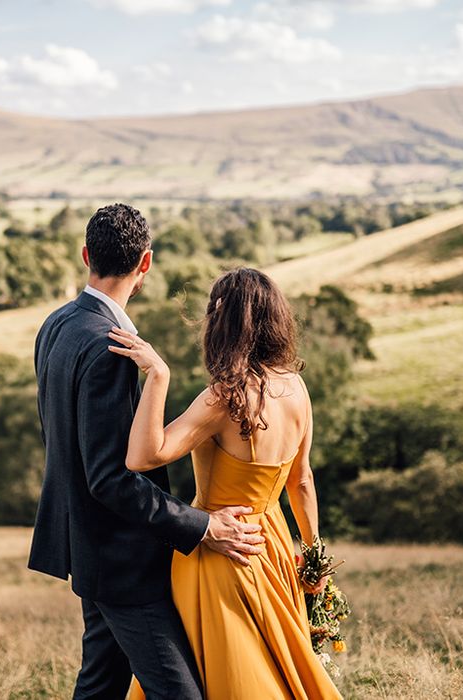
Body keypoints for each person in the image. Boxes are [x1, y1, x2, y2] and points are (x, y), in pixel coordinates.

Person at [28, 204, 265, 700]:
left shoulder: (56, 324)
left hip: (87, 544)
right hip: (122, 561)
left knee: (100, 684)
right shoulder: (111, 347)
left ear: (86, 254)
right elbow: (110, 478)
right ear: (146, 264)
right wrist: (203, 527)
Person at [111, 267, 343, 700]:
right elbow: (303, 482)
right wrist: (313, 562)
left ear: (222, 323)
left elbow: (143, 456)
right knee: (274, 667)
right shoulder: (297, 388)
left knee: (230, 675)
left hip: (219, 548)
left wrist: (157, 376)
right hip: (272, 546)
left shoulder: (224, 397)